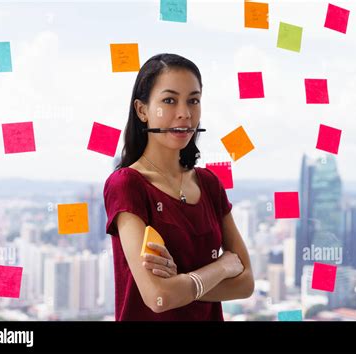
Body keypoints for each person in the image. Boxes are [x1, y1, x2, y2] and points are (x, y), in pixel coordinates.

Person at [103, 53, 254, 321]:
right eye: (169, 100)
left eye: (193, 100)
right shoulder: (126, 185)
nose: (185, 113)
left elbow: (246, 283)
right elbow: (158, 297)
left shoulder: (209, 184)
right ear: (142, 110)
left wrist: (182, 284)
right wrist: (221, 267)